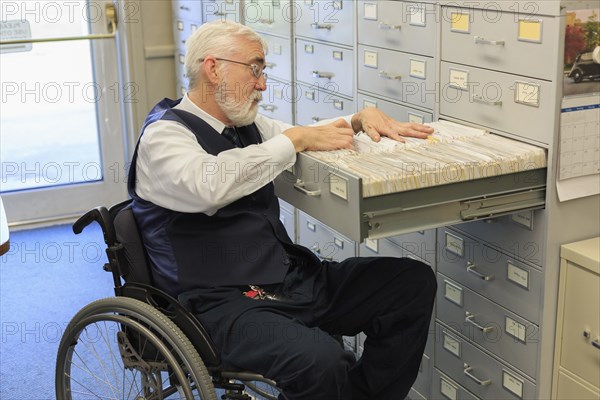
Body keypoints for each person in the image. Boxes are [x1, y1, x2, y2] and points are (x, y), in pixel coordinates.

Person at [128, 20, 436, 400]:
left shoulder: (245, 124)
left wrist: (354, 122)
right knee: (322, 362)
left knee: (410, 283)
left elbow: (305, 134)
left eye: (263, 71)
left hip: (284, 280)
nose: (262, 84)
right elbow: (207, 186)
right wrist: (293, 140)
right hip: (219, 303)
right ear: (213, 68)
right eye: (255, 69)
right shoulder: (164, 135)